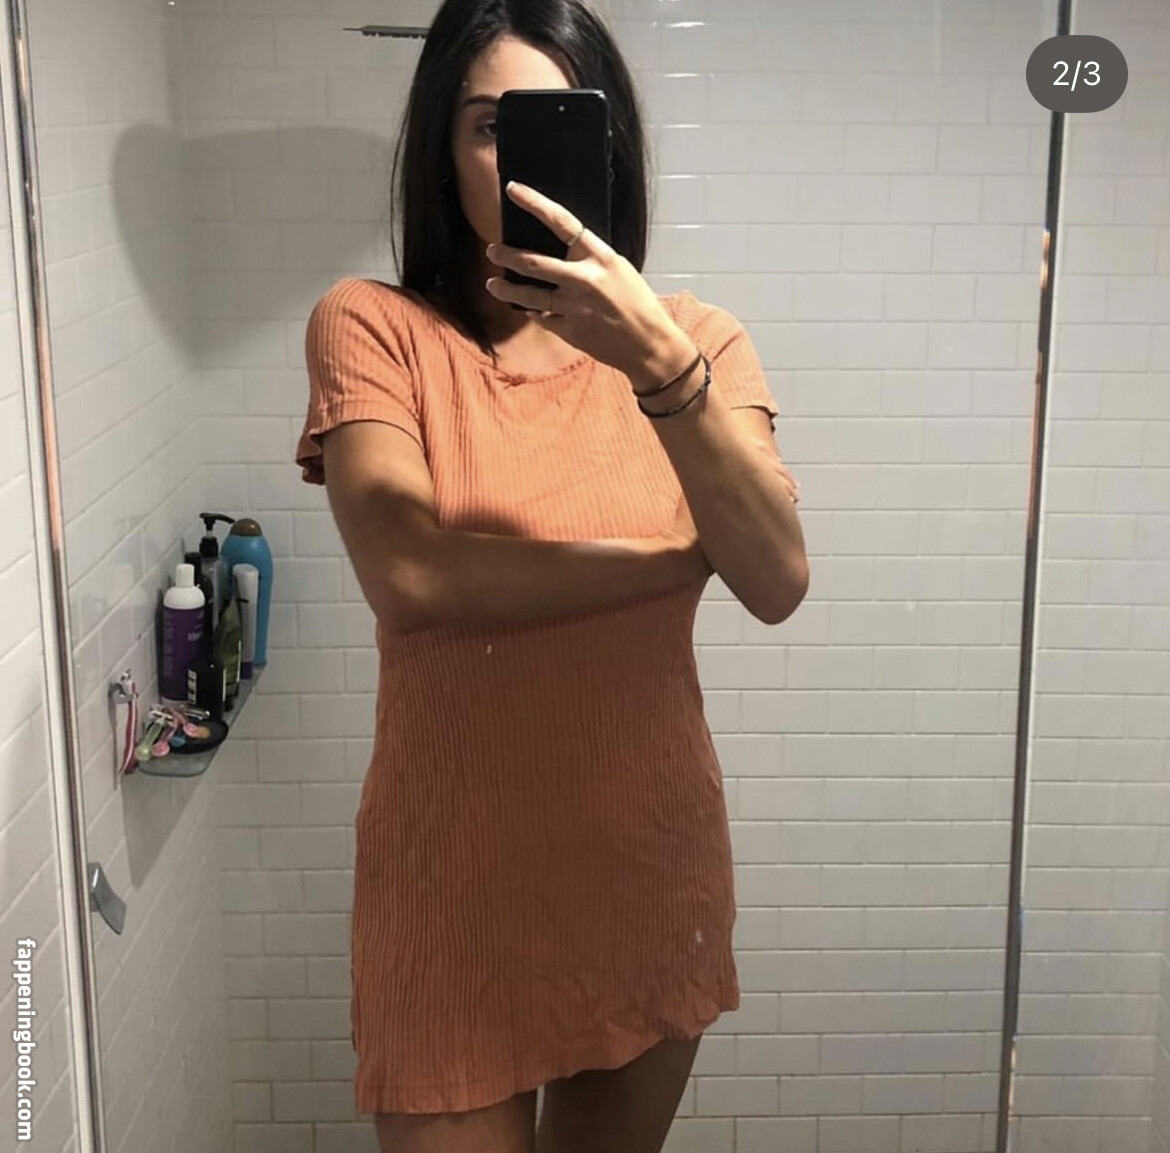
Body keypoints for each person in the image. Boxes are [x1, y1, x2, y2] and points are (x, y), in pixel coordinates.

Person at [293, 1, 808, 1150]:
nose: (517, 161)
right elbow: (414, 576)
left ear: (608, 145)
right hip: (450, 887)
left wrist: (658, 363)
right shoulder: (374, 327)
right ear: (442, 149)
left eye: (553, 124)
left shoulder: (701, 341)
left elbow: (775, 578)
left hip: (644, 867)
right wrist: (677, 558)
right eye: (489, 126)